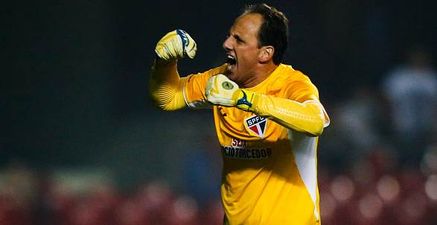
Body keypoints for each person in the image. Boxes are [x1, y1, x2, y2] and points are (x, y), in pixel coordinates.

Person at [150, 3, 330, 225]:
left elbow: (315, 122)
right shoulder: (221, 80)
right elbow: (167, 98)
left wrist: (244, 100)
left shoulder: (292, 84)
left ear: (265, 53)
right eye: (229, 36)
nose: (226, 44)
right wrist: (165, 63)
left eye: (239, 40)